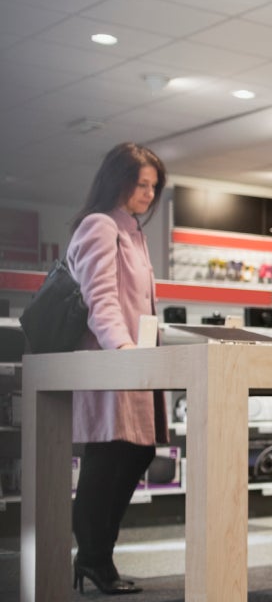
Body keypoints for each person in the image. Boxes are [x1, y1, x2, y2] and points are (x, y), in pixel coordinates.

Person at [66, 142, 168, 595]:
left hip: (134, 362)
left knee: (134, 452)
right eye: (140, 183)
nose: (148, 193)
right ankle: (93, 557)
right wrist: (124, 350)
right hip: (115, 361)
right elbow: (101, 300)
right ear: (117, 180)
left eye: (153, 186)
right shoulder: (99, 226)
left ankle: (96, 555)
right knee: (110, 455)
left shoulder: (132, 232)